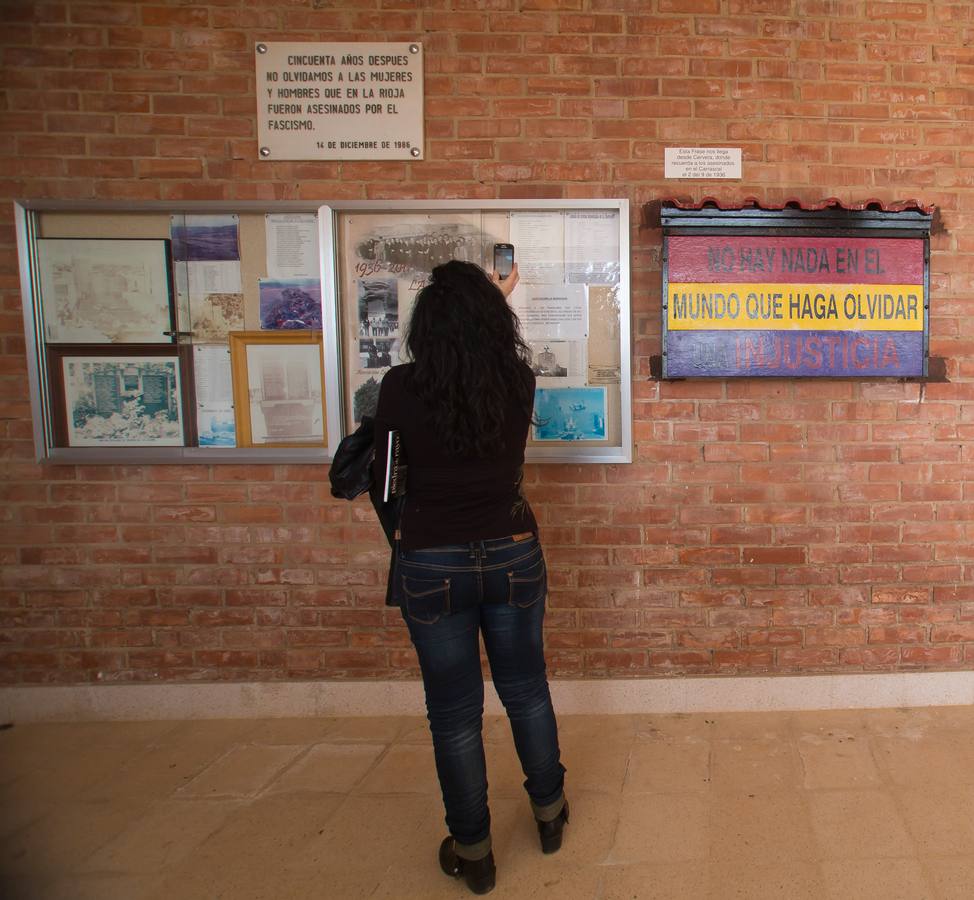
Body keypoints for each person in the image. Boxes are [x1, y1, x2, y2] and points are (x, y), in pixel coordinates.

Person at [372, 260, 567, 895]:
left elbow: (386, 482)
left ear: (424, 325)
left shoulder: (400, 388)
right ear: (493, 320)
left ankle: (474, 849)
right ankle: (549, 813)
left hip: (432, 559)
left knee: (453, 714)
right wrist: (495, 290)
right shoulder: (517, 381)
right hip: (512, 550)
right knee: (526, 691)